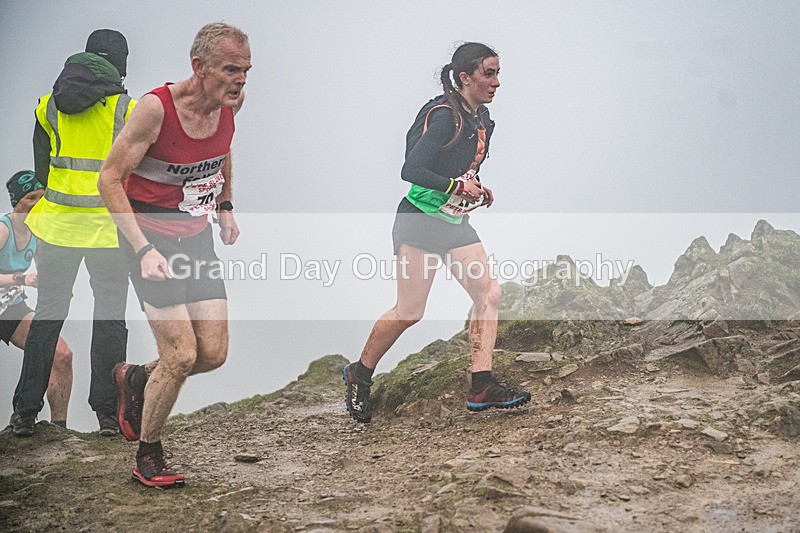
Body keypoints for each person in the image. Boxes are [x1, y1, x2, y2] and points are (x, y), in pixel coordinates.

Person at [343, 43, 531, 424]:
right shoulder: (446, 116)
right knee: (410, 311)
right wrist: (456, 187)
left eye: (498, 73)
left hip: (453, 224)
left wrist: (476, 185)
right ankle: (359, 374)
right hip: (418, 222)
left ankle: (482, 385)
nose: (497, 82)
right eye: (489, 74)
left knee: (489, 293)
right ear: (465, 77)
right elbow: (411, 170)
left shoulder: (482, 119)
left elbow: (459, 168)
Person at [97, 22, 249, 488]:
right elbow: (107, 179)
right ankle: (149, 454)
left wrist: (225, 205)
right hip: (148, 237)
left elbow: (222, 148)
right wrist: (142, 249)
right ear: (198, 67)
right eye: (230, 70)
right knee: (181, 354)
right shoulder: (154, 110)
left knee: (214, 353)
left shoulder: (231, 102)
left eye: (246, 69)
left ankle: (138, 379)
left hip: (196, 235)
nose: (241, 80)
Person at [11, 30, 134, 438]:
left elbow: (42, 174)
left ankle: (24, 413)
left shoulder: (48, 107)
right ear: (120, 63)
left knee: (47, 316)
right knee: (110, 317)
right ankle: (108, 416)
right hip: (106, 230)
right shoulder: (126, 109)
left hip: (58, 228)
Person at [3, 171, 74, 434]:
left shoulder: (37, 229)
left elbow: (43, 269)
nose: (36, 203)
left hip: (10, 309)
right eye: (30, 197)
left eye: (41, 198)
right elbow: (26, 276)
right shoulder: (3, 229)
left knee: (62, 355)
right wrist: (20, 278)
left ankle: (59, 429)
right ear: (16, 201)